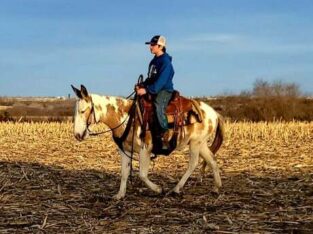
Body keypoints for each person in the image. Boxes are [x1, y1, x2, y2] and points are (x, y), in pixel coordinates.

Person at [136, 35, 175, 150]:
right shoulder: (154, 61)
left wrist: (147, 90)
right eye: (150, 45)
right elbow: (151, 78)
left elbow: (161, 81)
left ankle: (165, 133)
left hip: (164, 90)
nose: (150, 47)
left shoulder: (165, 62)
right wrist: (142, 85)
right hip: (153, 88)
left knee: (158, 105)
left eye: (152, 45)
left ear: (160, 46)